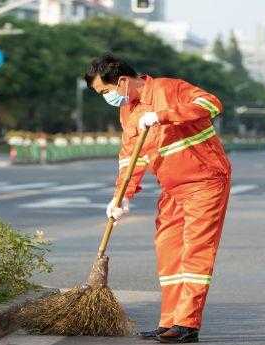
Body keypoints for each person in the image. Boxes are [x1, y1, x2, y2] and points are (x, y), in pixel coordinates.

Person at [85, 53, 231, 344]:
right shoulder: (128, 112)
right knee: (168, 251)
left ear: (123, 82)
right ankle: (170, 322)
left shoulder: (169, 89)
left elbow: (211, 104)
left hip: (205, 181)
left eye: (105, 92)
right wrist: (120, 198)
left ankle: (187, 324)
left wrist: (164, 115)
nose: (106, 98)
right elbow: (131, 158)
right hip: (172, 188)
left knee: (195, 251)